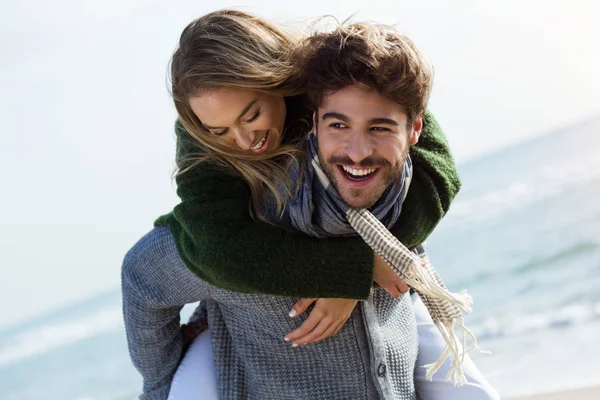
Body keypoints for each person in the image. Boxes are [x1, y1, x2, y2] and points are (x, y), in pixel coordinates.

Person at [121, 10, 497, 400]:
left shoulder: (334, 76)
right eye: (219, 132)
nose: (243, 139)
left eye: (252, 115)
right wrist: (355, 270)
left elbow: (434, 165)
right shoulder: (207, 153)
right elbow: (210, 250)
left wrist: (379, 255)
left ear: (278, 79)